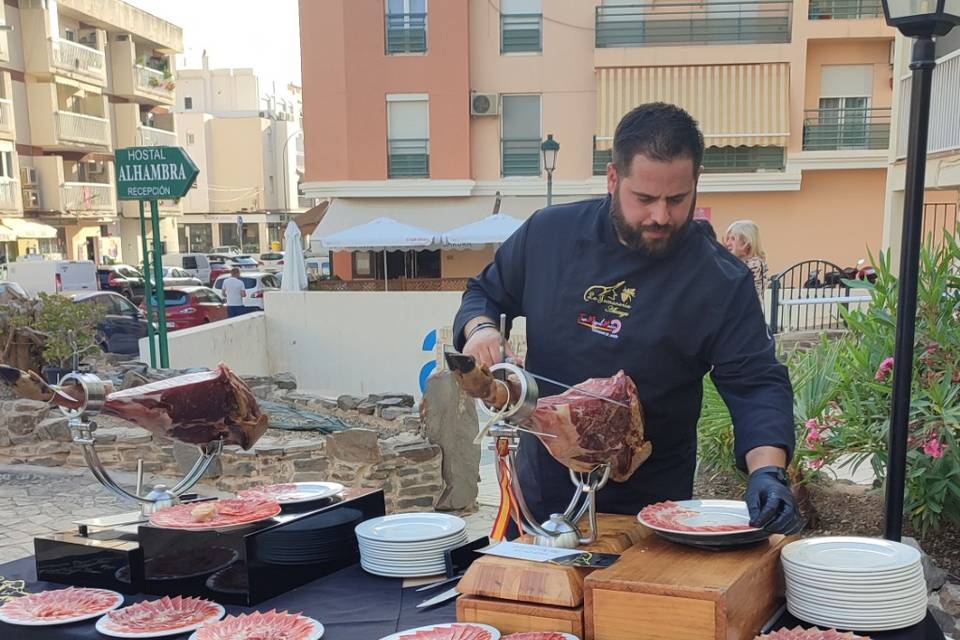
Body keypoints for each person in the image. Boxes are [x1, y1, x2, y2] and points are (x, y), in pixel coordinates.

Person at [453, 102, 802, 535]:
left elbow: (756, 382)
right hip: (539, 499)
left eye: (677, 200)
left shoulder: (718, 280)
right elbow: (484, 292)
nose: (661, 216)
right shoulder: (549, 235)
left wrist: (768, 473)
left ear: (697, 183)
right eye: (645, 198)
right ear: (613, 179)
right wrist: (481, 329)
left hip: (654, 513)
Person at [724, 220, 768, 300]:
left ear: (747, 243)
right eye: (728, 239)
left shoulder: (756, 264)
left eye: (733, 239)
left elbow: (734, 286)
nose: (728, 243)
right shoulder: (735, 262)